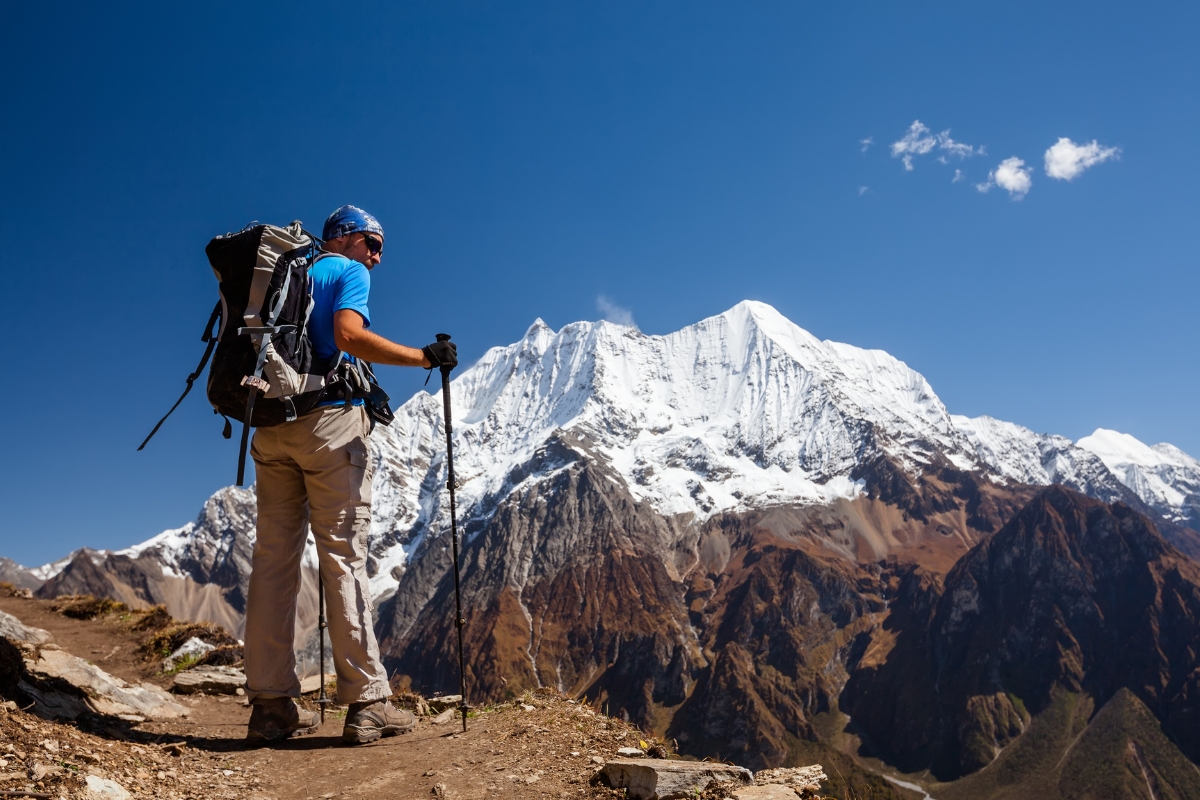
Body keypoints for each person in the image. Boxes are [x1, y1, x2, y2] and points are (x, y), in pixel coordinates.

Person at [243, 205, 457, 744]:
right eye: (372, 241)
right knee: (342, 556)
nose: (377, 256)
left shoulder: (282, 276)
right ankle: (366, 702)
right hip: (328, 426)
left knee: (273, 561)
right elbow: (347, 336)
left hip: (270, 428)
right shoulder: (346, 271)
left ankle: (270, 706)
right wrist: (423, 358)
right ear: (343, 237)